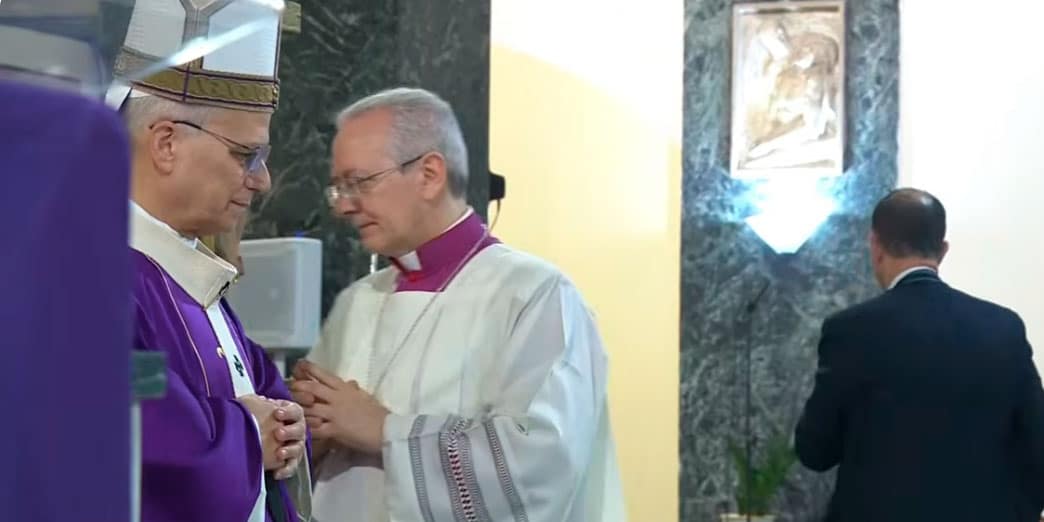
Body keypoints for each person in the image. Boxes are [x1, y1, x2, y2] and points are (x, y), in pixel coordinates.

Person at [289, 87, 627, 521]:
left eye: (359, 183)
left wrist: (383, 429)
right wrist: (308, 435)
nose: (344, 207)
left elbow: (539, 466)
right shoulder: (356, 302)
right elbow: (320, 457)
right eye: (338, 189)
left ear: (430, 174)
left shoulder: (534, 296)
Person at [105, 2, 310, 521]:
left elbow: (258, 391)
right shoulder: (94, 280)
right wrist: (249, 435)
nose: (262, 180)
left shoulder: (191, 278)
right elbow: (135, 428)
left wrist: (285, 423)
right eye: (246, 154)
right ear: (167, 144)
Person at [795, 188, 1044, 522]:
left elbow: (815, 450)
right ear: (943, 249)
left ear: (875, 245)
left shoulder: (850, 330)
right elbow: (1036, 444)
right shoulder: (1004, 327)